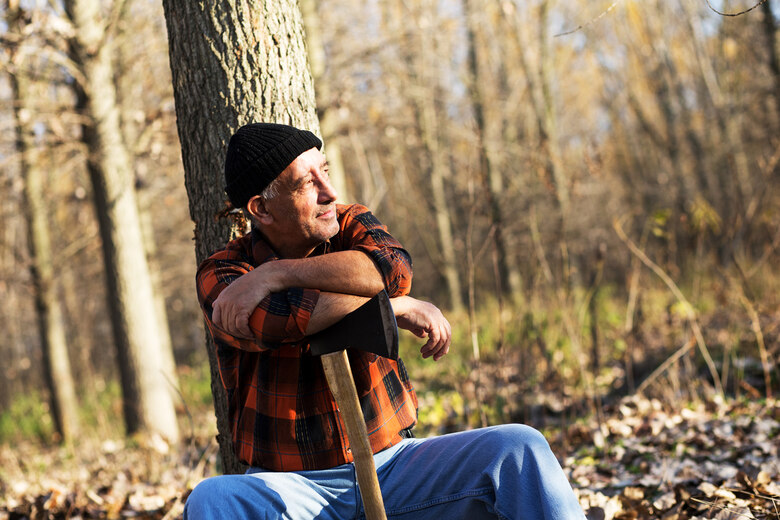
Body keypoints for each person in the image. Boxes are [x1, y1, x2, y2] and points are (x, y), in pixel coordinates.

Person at [185, 122, 585, 519]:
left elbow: (391, 271)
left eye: (324, 171)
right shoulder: (223, 276)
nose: (331, 192)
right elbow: (285, 320)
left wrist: (276, 275)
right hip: (291, 490)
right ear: (261, 208)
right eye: (307, 184)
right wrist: (395, 307)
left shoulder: (351, 223)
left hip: (396, 466)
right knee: (211, 501)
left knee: (518, 447)